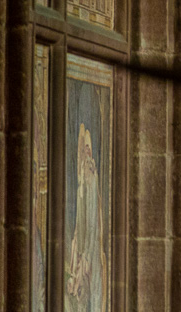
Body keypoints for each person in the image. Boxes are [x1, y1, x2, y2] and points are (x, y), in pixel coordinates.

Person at [66, 124, 106, 312]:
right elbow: (79, 225)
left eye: (87, 149)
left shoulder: (91, 180)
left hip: (91, 249)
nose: (85, 154)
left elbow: (92, 223)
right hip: (83, 249)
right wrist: (76, 249)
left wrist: (87, 255)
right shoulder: (82, 182)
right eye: (83, 150)